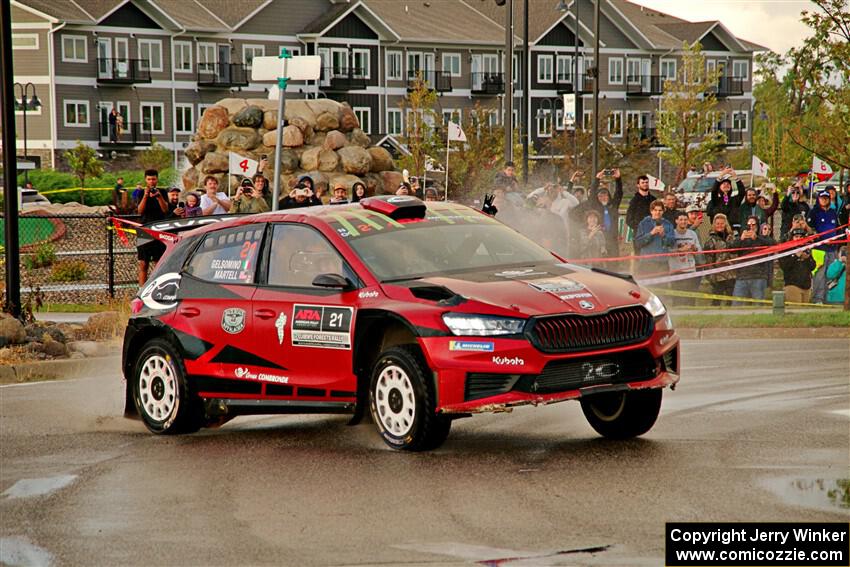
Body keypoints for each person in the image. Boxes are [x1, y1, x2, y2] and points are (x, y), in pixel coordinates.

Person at [807, 190, 840, 303]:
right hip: (819, 249)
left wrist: (837, 241)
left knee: (831, 274)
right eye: (822, 198)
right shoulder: (814, 212)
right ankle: (818, 298)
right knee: (819, 275)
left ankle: (829, 298)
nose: (824, 200)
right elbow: (810, 229)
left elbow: (838, 228)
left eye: (826, 198)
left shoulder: (833, 212)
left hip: (832, 248)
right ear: (818, 199)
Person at [730, 215, 773, 304]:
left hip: (758, 276)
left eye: (753, 225)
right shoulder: (741, 238)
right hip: (742, 277)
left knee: (758, 306)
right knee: (736, 305)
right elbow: (731, 250)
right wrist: (740, 239)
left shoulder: (762, 238)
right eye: (749, 225)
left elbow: (773, 245)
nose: (751, 227)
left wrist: (757, 238)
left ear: (758, 226)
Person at [136, 169, 168, 286]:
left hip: (159, 230)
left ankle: (157, 288)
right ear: (145, 180)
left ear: (157, 179)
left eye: (153, 179)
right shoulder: (141, 193)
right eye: (149, 179)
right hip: (145, 230)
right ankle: (141, 290)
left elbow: (165, 210)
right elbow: (140, 211)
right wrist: (145, 196)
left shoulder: (162, 192)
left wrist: (159, 197)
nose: (151, 182)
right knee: (143, 263)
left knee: (158, 262)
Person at [668, 212, 703, 305]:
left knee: (690, 299)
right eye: (681, 220)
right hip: (676, 270)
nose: (683, 222)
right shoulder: (671, 234)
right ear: (676, 221)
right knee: (677, 299)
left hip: (690, 269)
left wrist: (694, 248)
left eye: (685, 220)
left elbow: (699, 250)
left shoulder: (692, 234)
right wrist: (680, 250)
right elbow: (667, 252)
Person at [702, 213, 736, 304]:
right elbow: (708, 260)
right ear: (714, 225)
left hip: (731, 274)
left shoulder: (731, 238)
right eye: (717, 223)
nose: (720, 225)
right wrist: (711, 274)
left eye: (722, 223)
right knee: (716, 301)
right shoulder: (710, 240)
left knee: (731, 300)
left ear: (726, 224)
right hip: (718, 275)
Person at [588, 168, 623, 258]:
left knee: (614, 262)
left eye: (605, 195)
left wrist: (618, 179)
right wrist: (597, 179)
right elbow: (592, 194)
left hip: (612, 239)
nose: (603, 198)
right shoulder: (596, 206)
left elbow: (619, 193)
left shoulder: (613, 206)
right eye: (600, 196)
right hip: (599, 238)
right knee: (600, 262)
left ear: (608, 196)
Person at [634, 200, 674, 276]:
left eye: (660, 210)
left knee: (663, 283)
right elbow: (638, 243)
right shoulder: (643, 223)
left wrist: (664, 235)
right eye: (655, 210)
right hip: (646, 262)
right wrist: (651, 234)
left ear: (663, 211)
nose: (658, 212)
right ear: (651, 211)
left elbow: (672, 243)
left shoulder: (668, 224)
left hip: (662, 262)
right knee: (645, 283)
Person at [778, 229, 816, 304]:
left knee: (804, 309)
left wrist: (808, 258)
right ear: (792, 238)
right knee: (795, 309)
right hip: (792, 285)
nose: (799, 238)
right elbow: (784, 266)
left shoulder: (806, 249)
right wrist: (795, 256)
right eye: (796, 236)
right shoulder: (786, 249)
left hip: (806, 286)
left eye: (801, 237)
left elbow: (813, 267)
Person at [625, 174, 654, 249]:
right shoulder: (634, 201)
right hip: (639, 234)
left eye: (646, 182)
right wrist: (639, 228)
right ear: (638, 185)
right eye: (643, 182)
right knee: (639, 254)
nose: (645, 184)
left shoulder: (653, 200)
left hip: (652, 232)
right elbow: (628, 219)